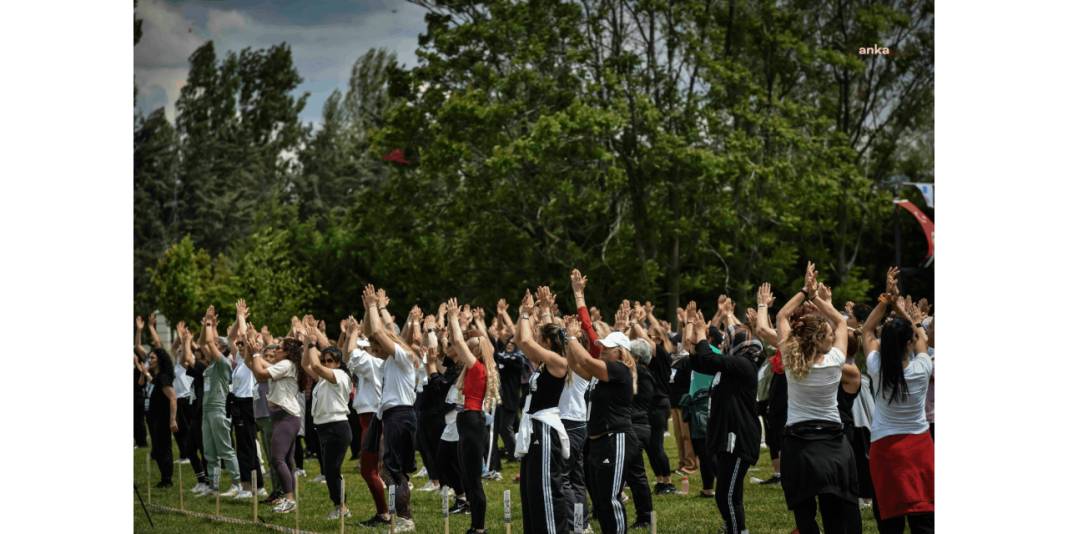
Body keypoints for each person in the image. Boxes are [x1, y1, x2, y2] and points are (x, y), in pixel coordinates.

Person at [773, 264, 862, 534]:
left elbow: (782, 315)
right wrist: (817, 298)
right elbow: (842, 322)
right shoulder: (836, 361)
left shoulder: (791, 359)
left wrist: (805, 291)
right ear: (822, 340)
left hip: (799, 447)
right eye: (829, 336)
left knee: (804, 516)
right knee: (836, 515)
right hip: (833, 445)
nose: (834, 336)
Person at [861, 267, 934, 533]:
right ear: (907, 344)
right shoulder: (922, 367)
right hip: (919, 447)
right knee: (924, 519)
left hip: (885, 449)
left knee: (889, 521)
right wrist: (899, 303)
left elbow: (867, 330)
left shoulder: (876, 367)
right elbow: (919, 335)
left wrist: (886, 300)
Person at [686, 297, 763, 534]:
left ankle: (737, 530)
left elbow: (708, 358)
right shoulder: (733, 365)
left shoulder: (744, 364)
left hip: (739, 438)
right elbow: (698, 360)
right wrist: (692, 327)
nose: (724, 343)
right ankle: (734, 527)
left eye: (728, 340)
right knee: (730, 493)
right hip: (728, 436)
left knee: (725, 496)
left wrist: (701, 331)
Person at [563, 315, 638, 534]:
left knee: (610, 498)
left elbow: (585, 361)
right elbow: (574, 364)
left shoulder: (619, 369)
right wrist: (569, 341)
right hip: (597, 442)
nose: (603, 351)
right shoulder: (603, 372)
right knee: (600, 500)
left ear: (621, 352)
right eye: (602, 348)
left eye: (607, 348)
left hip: (616, 439)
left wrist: (572, 337)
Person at [514, 288, 572, 534]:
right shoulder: (546, 361)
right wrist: (538, 311)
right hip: (534, 428)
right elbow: (523, 340)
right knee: (530, 490)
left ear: (548, 344)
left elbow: (525, 342)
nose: (537, 342)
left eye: (542, 340)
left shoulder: (559, 363)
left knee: (546, 489)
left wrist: (527, 314)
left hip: (546, 429)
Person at [362, 284, 419, 533]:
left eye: (379, 346)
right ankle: (400, 515)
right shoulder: (391, 361)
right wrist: (369, 309)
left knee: (393, 470)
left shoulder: (402, 357)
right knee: (390, 469)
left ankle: (404, 518)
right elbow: (371, 330)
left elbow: (378, 331)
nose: (375, 349)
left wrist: (375, 306)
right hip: (392, 414)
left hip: (400, 414)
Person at [445, 297, 501, 534]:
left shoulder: (478, 367)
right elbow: (454, 342)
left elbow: (457, 340)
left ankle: (479, 528)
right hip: (467, 420)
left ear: (478, 350)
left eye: (472, 344)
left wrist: (452, 317)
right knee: (468, 478)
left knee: (473, 480)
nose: (467, 345)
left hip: (471, 420)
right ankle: (475, 526)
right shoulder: (474, 368)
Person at [245, 327, 305, 514]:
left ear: (287, 352)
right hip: (283, 417)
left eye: (279, 348)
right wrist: (251, 349)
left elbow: (261, 373)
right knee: (285, 459)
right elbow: (256, 367)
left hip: (287, 417)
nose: (275, 350)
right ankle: (290, 497)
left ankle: (289, 498)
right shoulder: (284, 365)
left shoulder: (286, 364)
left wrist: (255, 353)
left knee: (277, 458)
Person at [342, 316, 391, 527]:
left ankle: (385, 513)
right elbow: (347, 355)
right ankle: (386, 512)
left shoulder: (373, 363)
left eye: (367, 347)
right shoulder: (372, 363)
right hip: (369, 417)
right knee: (373, 470)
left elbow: (350, 354)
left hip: (372, 418)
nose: (363, 351)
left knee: (370, 470)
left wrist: (353, 332)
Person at [301, 334, 354, 520]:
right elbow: (306, 365)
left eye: (329, 360)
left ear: (338, 363)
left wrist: (313, 344)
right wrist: (307, 344)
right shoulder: (324, 379)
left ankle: (342, 506)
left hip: (336, 427)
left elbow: (314, 366)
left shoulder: (339, 375)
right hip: (324, 428)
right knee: (330, 469)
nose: (325, 363)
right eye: (323, 360)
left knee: (332, 470)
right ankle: (339, 505)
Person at [197, 306, 243, 498]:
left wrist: (209, 322)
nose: (211, 346)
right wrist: (207, 325)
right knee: (209, 451)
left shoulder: (223, 363)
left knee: (225, 448)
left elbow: (207, 341)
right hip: (207, 410)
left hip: (218, 410)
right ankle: (214, 487)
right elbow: (202, 342)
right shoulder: (210, 366)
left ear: (221, 348)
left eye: (216, 344)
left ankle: (237, 483)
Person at [230, 300, 266, 499]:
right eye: (240, 345)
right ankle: (249, 486)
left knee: (248, 447)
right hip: (238, 403)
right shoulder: (239, 362)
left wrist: (242, 316)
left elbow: (243, 336)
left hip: (247, 404)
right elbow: (233, 337)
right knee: (242, 446)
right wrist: (238, 319)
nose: (240, 346)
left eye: (244, 345)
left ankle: (255, 486)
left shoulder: (250, 360)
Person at [146, 347, 178, 487]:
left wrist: (172, 420)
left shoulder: (163, 377)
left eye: (152, 358)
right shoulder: (158, 377)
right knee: (158, 449)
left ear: (159, 360)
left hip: (162, 419)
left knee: (163, 449)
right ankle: (164, 478)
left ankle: (167, 479)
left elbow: (173, 398)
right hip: (155, 418)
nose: (150, 360)